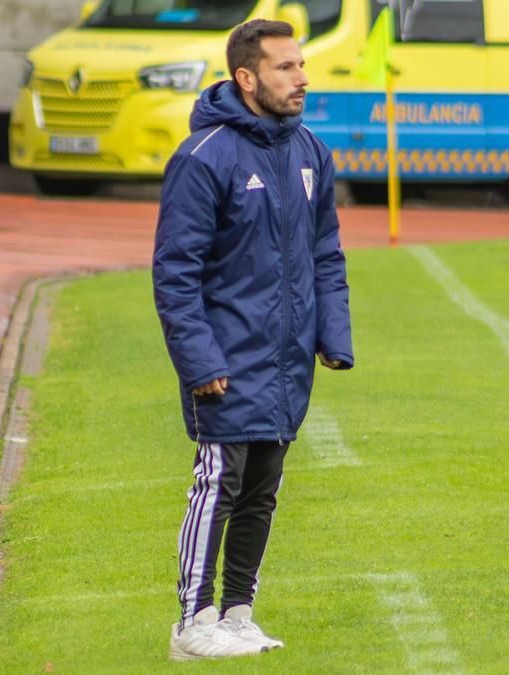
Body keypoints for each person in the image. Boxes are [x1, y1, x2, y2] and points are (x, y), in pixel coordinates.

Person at [152, 18, 353, 661]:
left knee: (264, 484)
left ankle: (238, 612)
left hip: (288, 358)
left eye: (301, 65)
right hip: (226, 358)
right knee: (221, 479)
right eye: (286, 68)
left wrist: (331, 334)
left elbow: (326, 252)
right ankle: (192, 621)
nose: (302, 78)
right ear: (247, 78)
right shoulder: (203, 156)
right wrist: (199, 360)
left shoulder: (311, 152)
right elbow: (175, 272)